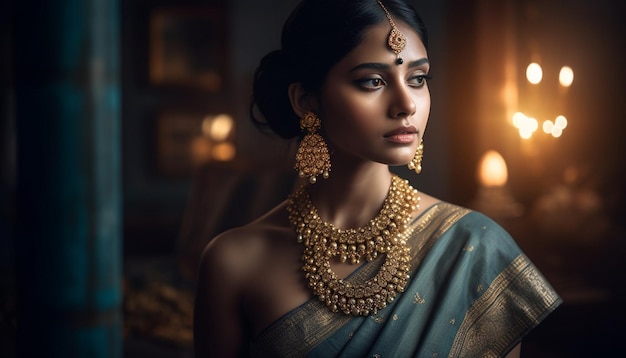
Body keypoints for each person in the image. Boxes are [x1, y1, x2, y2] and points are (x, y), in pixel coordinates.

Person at [193, 0, 562, 356]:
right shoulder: (235, 261)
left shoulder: (475, 247)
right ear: (306, 100)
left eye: (417, 78)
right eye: (372, 81)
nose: (407, 104)